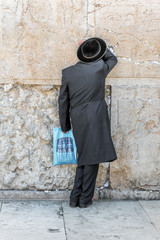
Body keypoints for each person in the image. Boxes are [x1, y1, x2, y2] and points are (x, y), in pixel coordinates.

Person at [58, 37, 118, 208]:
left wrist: (65, 125)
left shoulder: (67, 72)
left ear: (81, 55)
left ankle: (74, 197)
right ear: (96, 55)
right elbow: (112, 58)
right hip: (96, 116)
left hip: (78, 118)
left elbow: (63, 101)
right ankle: (84, 199)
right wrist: (97, 45)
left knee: (84, 156)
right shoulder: (99, 68)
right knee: (92, 157)